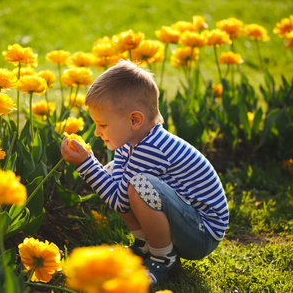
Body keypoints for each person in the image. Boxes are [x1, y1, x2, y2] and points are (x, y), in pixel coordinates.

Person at [61, 60, 229, 284]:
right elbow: (119, 189)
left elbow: (120, 201)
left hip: (202, 233)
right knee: (118, 176)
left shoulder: (152, 148)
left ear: (134, 120)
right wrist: (96, 168)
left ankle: (164, 260)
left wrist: (87, 165)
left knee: (139, 185)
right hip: (187, 219)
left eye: (103, 124)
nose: (98, 132)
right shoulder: (130, 143)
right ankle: (145, 248)